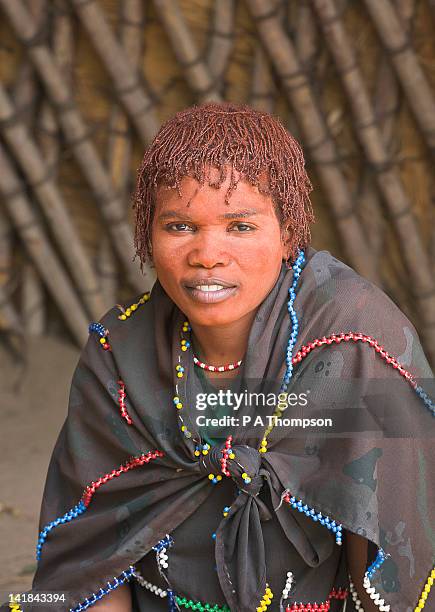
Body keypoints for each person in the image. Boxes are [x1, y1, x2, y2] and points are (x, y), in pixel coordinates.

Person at [28, 102, 434, 612]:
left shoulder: (353, 343)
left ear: (288, 233)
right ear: (147, 234)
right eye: (179, 226)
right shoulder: (120, 355)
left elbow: (387, 562)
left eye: (240, 226)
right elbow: (94, 562)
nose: (207, 254)